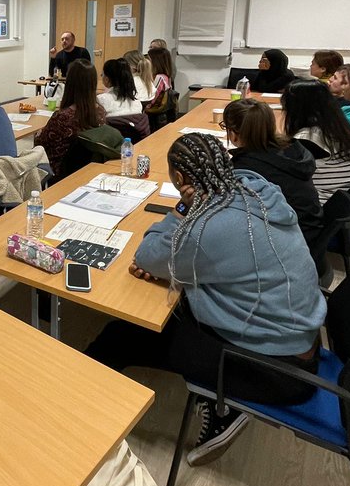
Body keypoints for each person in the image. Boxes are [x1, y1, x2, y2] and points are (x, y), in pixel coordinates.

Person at [86, 133, 325, 466]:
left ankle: (76, 420)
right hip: (299, 337)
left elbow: (146, 255)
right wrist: (174, 262)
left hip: (276, 371)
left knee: (119, 336)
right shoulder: (256, 189)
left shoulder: (210, 228)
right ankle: (220, 399)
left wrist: (179, 219)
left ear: (181, 180)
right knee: (169, 306)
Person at [222, 98, 323, 253]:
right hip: (311, 227)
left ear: (234, 134)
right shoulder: (292, 149)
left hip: (291, 242)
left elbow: (230, 208)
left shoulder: (246, 167)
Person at [281, 80, 350, 203]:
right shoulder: (338, 127)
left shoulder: (307, 139)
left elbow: (285, 173)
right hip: (342, 199)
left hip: (321, 204)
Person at [34, 60, 114, 176]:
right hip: (89, 170)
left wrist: (38, 134)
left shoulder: (62, 118)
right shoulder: (100, 112)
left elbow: (41, 145)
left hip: (60, 172)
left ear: (70, 83)